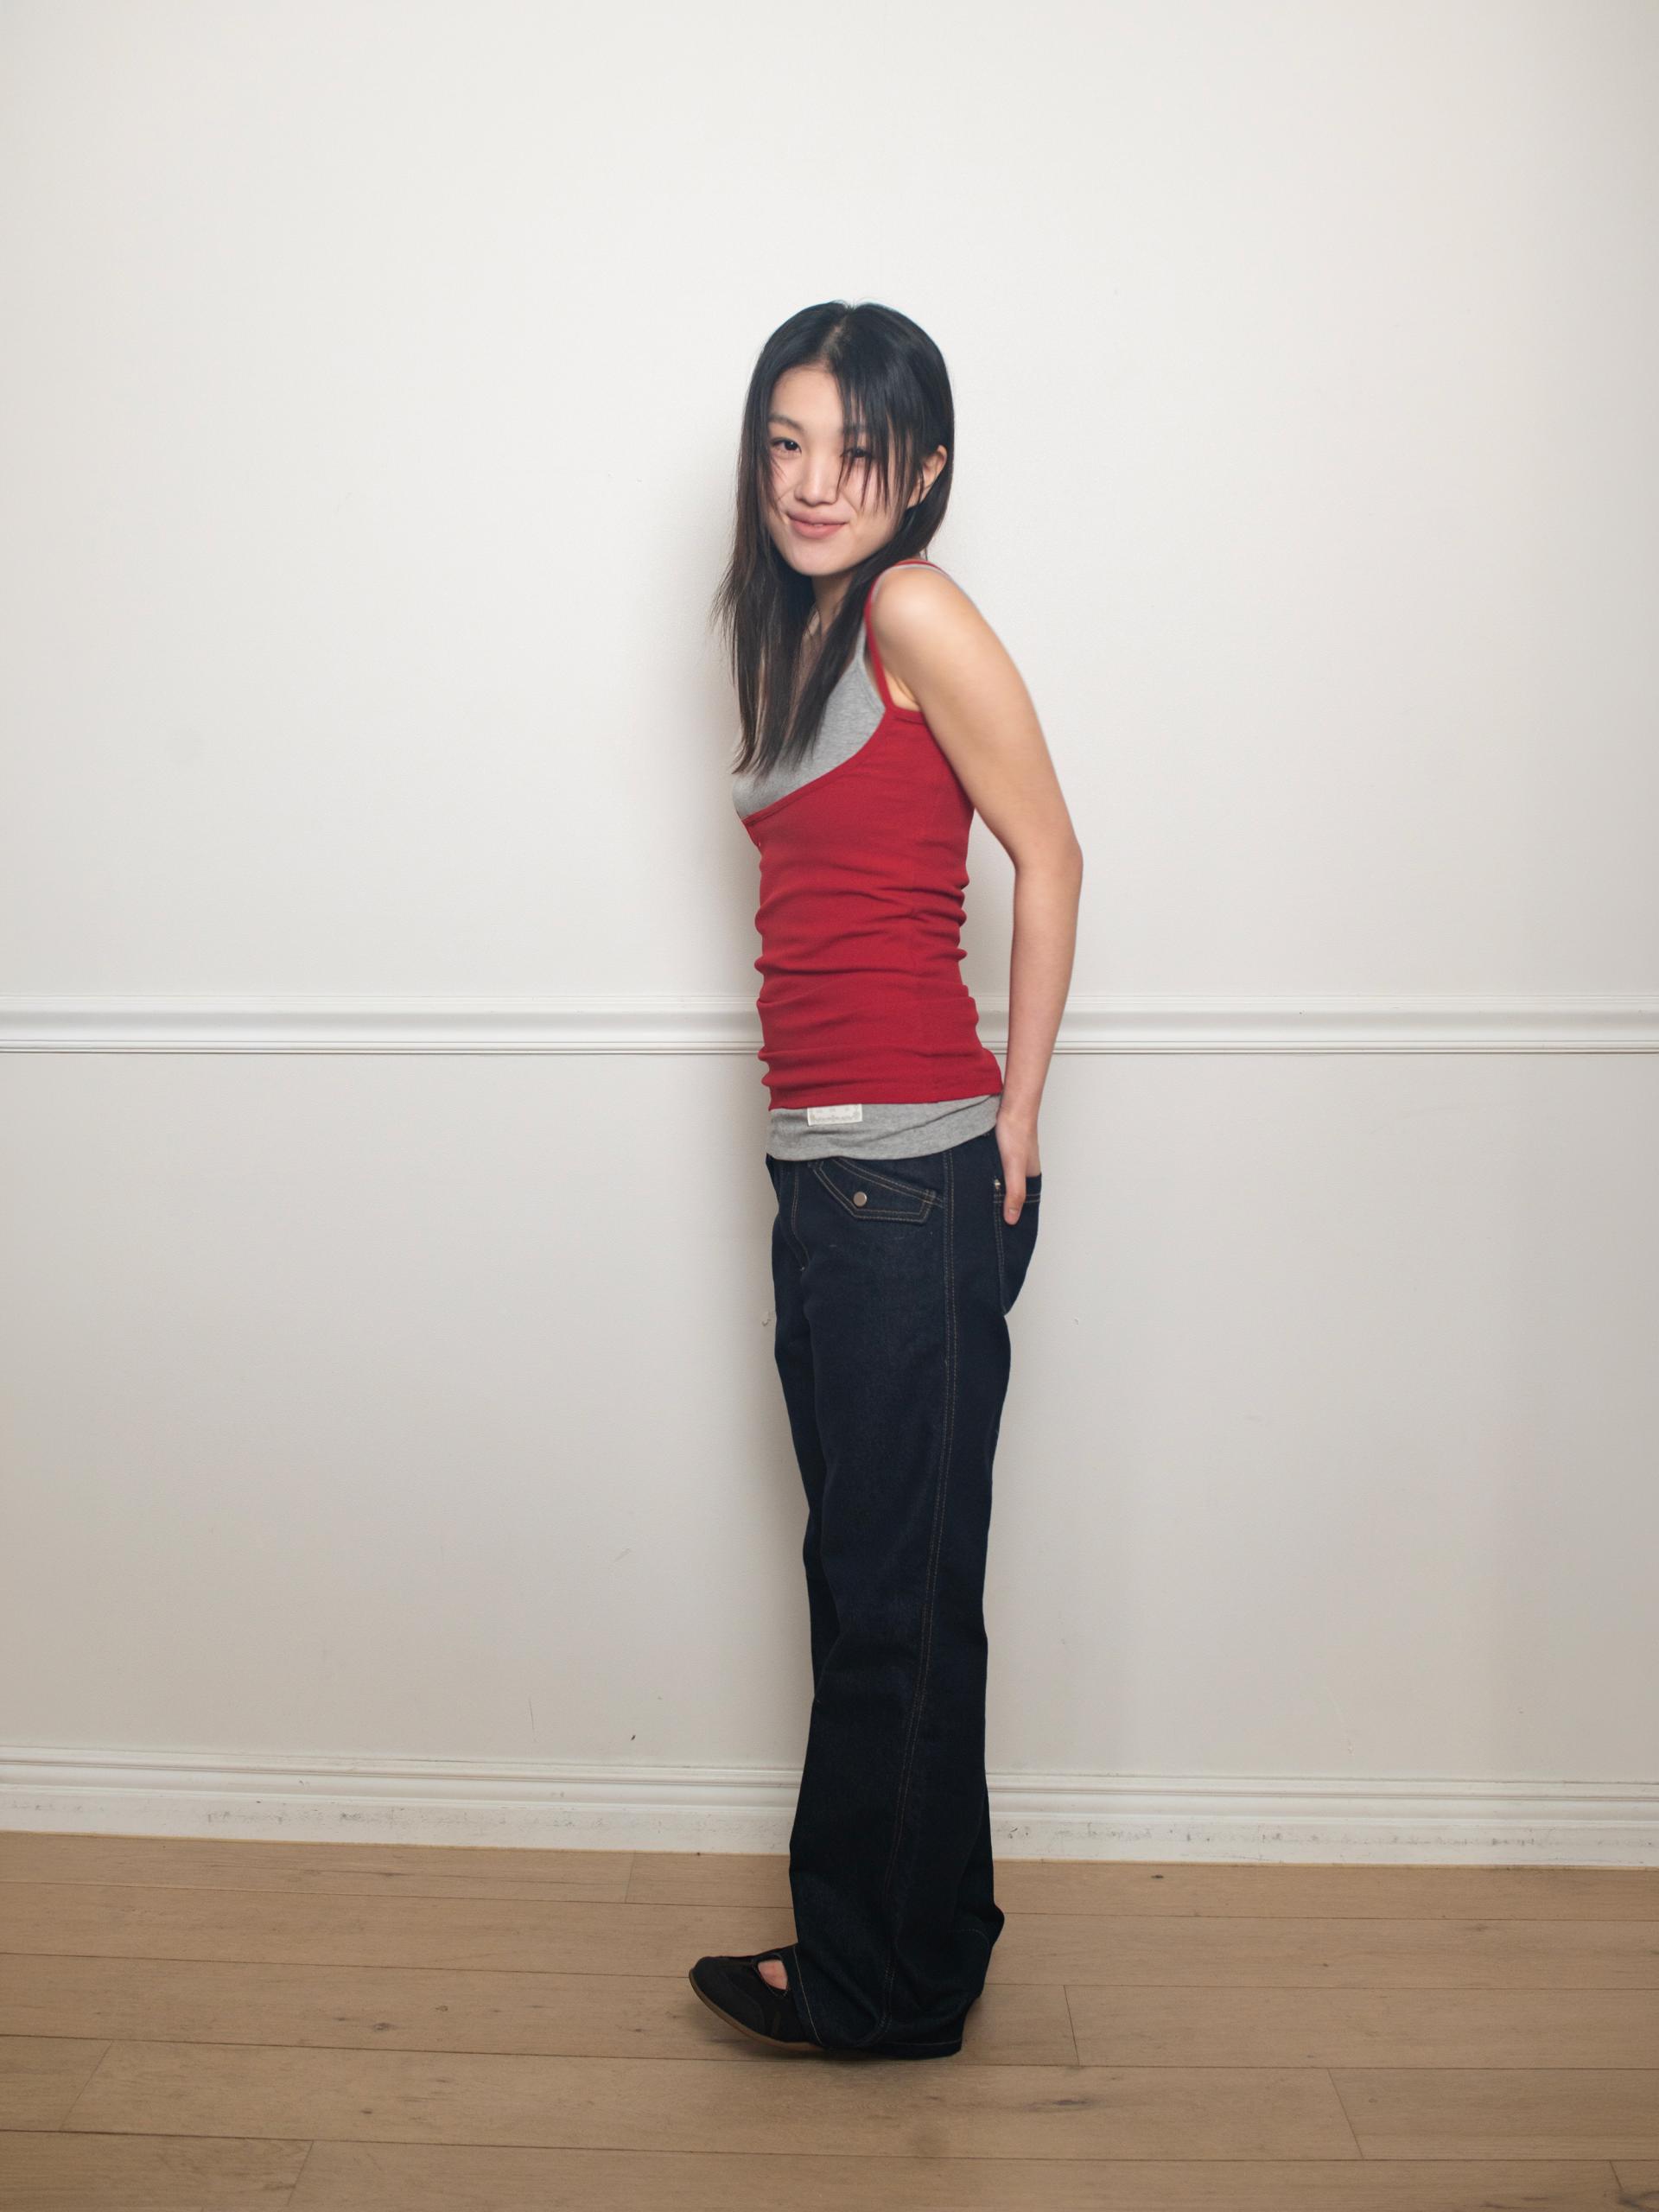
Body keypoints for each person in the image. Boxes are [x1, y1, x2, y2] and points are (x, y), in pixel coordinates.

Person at [690, 301, 1083, 2059]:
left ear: (919, 469)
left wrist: (1021, 1114)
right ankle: (917, 1946)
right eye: (785, 442)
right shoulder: (799, 629)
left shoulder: (911, 607)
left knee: (890, 1600)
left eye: (852, 450)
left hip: (912, 1184)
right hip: (826, 1181)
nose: (811, 480)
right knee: (879, 1585)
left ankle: (872, 1987)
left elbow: (1051, 852)